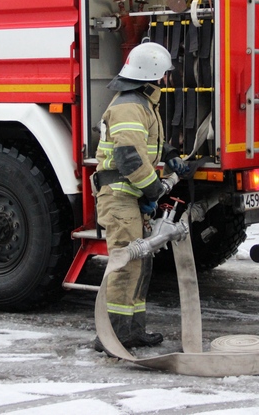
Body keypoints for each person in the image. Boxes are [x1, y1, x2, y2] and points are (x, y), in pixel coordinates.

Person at [92, 40, 188, 352]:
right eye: (164, 74)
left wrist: (171, 155)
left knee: (140, 263)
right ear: (153, 74)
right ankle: (113, 336)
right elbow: (129, 157)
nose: (167, 80)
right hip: (120, 197)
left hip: (129, 196)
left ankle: (131, 331)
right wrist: (155, 189)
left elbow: (146, 140)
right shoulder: (131, 105)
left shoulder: (141, 103)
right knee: (125, 266)